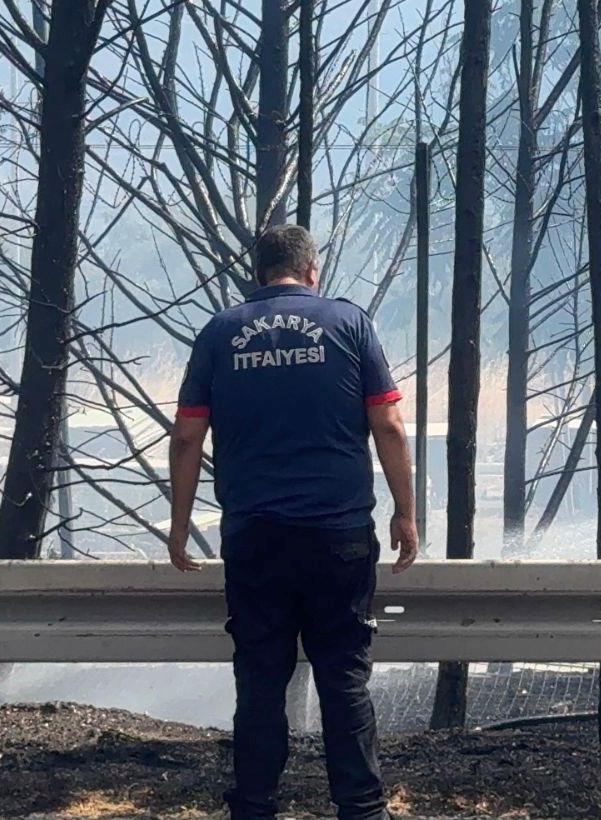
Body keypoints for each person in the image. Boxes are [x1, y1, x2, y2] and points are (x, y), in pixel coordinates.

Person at [167, 224, 419, 820]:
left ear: (259, 273)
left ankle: (253, 807)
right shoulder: (350, 324)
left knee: (259, 677)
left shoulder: (220, 332)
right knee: (343, 675)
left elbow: (186, 436)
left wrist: (178, 526)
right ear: (312, 271)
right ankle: (361, 808)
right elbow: (387, 425)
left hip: (255, 535)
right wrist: (405, 513)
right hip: (338, 534)